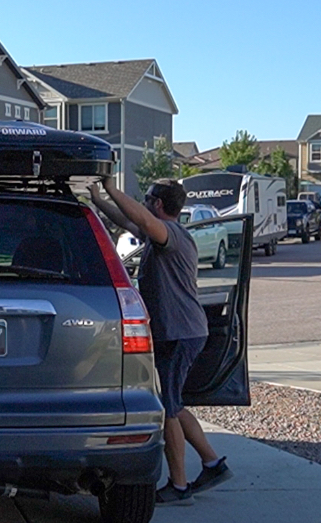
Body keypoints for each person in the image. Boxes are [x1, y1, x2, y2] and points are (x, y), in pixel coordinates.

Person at [89, 177, 233, 504]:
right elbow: (128, 221)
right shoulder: (161, 237)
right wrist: (98, 200)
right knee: (175, 404)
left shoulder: (171, 236)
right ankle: (212, 462)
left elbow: (139, 218)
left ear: (156, 204)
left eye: (148, 198)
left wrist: (111, 188)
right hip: (184, 331)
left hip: (180, 333)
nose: (145, 203)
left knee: (167, 409)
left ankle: (179, 485)